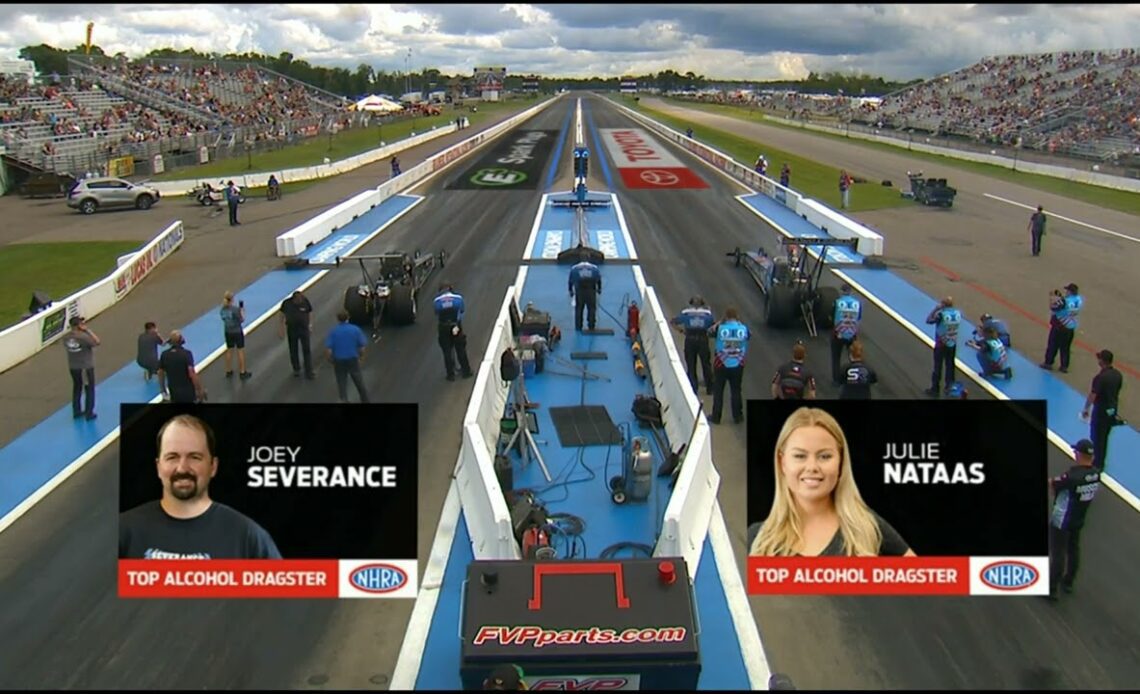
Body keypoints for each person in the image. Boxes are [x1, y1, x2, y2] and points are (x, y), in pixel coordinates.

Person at [750, 406, 915, 557]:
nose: (812, 467)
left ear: (841, 462)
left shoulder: (867, 526)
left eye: (825, 456)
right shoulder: (758, 540)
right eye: (800, 456)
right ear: (782, 463)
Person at [119, 413, 282, 560]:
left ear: (213, 466)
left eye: (195, 457)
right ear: (158, 467)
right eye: (172, 457)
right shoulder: (125, 532)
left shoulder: (248, 538)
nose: (182, 468)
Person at [1047, 439, 1102, 599]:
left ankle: (1051, 588)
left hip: (1063, 519)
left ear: (1079, 454)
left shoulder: (1072, 476)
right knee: (1073, 550)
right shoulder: (1096, 474)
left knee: (1058, 552)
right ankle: (1069, 581)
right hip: (1079, 519)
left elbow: (1054, 485)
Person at [1082, 349, 1124, 471]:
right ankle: (1100, 461)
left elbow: (1093, 395)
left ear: (1102, 361)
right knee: (1105, 436)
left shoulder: (1100, 378)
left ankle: (1097, 463)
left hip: (1101, 410)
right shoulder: (1118, 375)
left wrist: (1086, 409)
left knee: (1097, 436)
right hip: (1112, 409)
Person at [710, 307, 750, 425]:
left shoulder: (720, 328)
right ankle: (738, 416)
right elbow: (748, 336)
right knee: (736, 390)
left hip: (721, 363)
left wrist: (719, 322)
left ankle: (716, 417)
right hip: (738, 363)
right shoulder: (743, 329)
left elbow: (709, 332)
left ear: (726, 317)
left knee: (718, 391)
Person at [671, 295, 715, 396]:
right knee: (706, 364)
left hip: (690, 339)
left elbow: (673, 322)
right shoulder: (707, 314)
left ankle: (693, 388)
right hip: (702, 339)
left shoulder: (686, 313)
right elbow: (713, 326)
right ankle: (710, 387)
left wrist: (681, 330)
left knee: (691, 364)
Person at [325, 311, 370, 402]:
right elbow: (362, 347)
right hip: (352, 359)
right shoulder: (355, 329)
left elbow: (328, 350)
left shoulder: (333, 331)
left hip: (339, 360)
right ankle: (365, 400)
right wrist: (361, 357)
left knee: (341, 383)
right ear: (348, 318)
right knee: (358, 381)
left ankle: (343, 400)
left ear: (338, 319)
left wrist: (331, 360)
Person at [434, 282, 473, 381]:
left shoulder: (437, 301)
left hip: (443, 327)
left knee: (447, 351)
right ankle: (466, 371)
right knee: (460, 349)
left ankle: (450, 375)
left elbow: (436, 313)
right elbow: (462, 310)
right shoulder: (458, 298)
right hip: (455, 325)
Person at [63, 316, 100, 420]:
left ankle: (76, 411)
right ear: (79, 325)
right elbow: (97, 342)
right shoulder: (83, 337)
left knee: (77, 388)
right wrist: (88, 330)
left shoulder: (66, 338)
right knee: (89, 389)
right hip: (85, 367)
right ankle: (89, 412)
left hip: (73, 367)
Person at [924, 296, 962, 397]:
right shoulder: (958, 313)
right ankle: (949, 387)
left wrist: (936, 309)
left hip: (941, 343)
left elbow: (928, 320)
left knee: (938, 367)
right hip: (952, 343)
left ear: (943, 305)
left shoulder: (941, 314)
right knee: (950, 366)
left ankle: (935, 389)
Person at [1041, 283, 1082, 374]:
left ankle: (1048, 362)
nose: (1066, 292)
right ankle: (1064, 366)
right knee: (1065, 348)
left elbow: (1054, 307)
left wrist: (1053, 298)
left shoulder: (1064, 301)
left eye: (1067, 291)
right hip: (1070, 327)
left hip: (1059, 327)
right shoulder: (1077, 301)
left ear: (1070, 292)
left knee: (1053, 345)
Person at [157, 330, 206, 404]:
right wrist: (199, 389)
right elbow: (191, 374)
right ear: (181, 340)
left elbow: (160, 373)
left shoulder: (164, 355)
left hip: (174, 392)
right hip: (188, 392)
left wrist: (163, 389)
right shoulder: (186, 354)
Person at [830, 284, 862, 385]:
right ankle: (856, 376)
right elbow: (859, 317)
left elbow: (831, 315)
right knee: (855, 356)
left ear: (842, 291)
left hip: (838, 333)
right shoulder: (858, 303)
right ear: (850, 291)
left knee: (836, 357)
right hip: (852, 333)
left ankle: (836, 380)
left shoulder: (837, 302)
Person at [278, 290, 314, 379]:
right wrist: (281, 328)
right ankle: (296, 369)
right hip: (292, 329)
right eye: (298, 301)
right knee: (293, 349)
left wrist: (310, 325)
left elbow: (309, 312)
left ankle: (309, 371)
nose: (300, 302)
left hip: (304, 329)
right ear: (294, 299)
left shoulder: (305, 301)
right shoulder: (286, 303)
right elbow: (281, 314)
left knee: (306, 349)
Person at [220, 291, 252, 380]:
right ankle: (242, 371)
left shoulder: (222, 310)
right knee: (240, 351)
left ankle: (228, 370)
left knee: (229, 350)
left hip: (227, 332)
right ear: (232, 299)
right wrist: (242, 310)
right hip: (237, 332)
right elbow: (242, 319)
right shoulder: (235, 309)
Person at [568, 254, 601, 332]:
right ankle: (591, 325)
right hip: (591, 290)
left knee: (579, 308)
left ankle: (578, 326)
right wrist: (599, 289)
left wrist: (571, 290)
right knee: (592, 308)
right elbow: (599, 279)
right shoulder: (594, 268)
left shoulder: (575, 268)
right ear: (589, 258)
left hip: (580, 291)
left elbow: (570, 281)